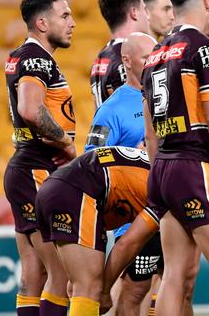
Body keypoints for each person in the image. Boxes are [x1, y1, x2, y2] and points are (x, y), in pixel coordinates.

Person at [100, 0, 209, 316]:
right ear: (207, 2)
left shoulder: (158, 53)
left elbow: (150, 124)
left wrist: (159, 171)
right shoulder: (205, 49)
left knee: (175, 274)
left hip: (164, 169)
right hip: (197, 166)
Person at [3, 0, 76, 316]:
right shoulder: (36, 58)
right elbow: (30, 110)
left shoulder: (19, 55)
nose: (72, 22)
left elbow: (19, 112)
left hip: (23, 165)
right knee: (60, 273)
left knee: (34, 272)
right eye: (65, 15)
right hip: (36, 168)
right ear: (42, 23)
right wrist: (66, 142)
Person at [84, 32, 159, 316]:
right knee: (135, 291)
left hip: (171, 207)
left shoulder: (164, 95)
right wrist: (137, 153)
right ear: (126, 61)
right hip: (136, 216)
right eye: (145, 57)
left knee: (180, 284)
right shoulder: (111, 110)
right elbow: (93, 161)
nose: (153, 62)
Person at [34, 146, 159, 316]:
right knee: (90, 287)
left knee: (63, 281)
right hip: (78, 192)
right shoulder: (167, 190)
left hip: (51, 189)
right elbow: (128, 243)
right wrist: (105, 290)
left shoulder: (160, 168)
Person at [90, 0, 149, 108]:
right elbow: (134, 111)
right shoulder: (127, 57)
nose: (148, 16)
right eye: (145, 9)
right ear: (134, 13)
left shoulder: (102, 56)